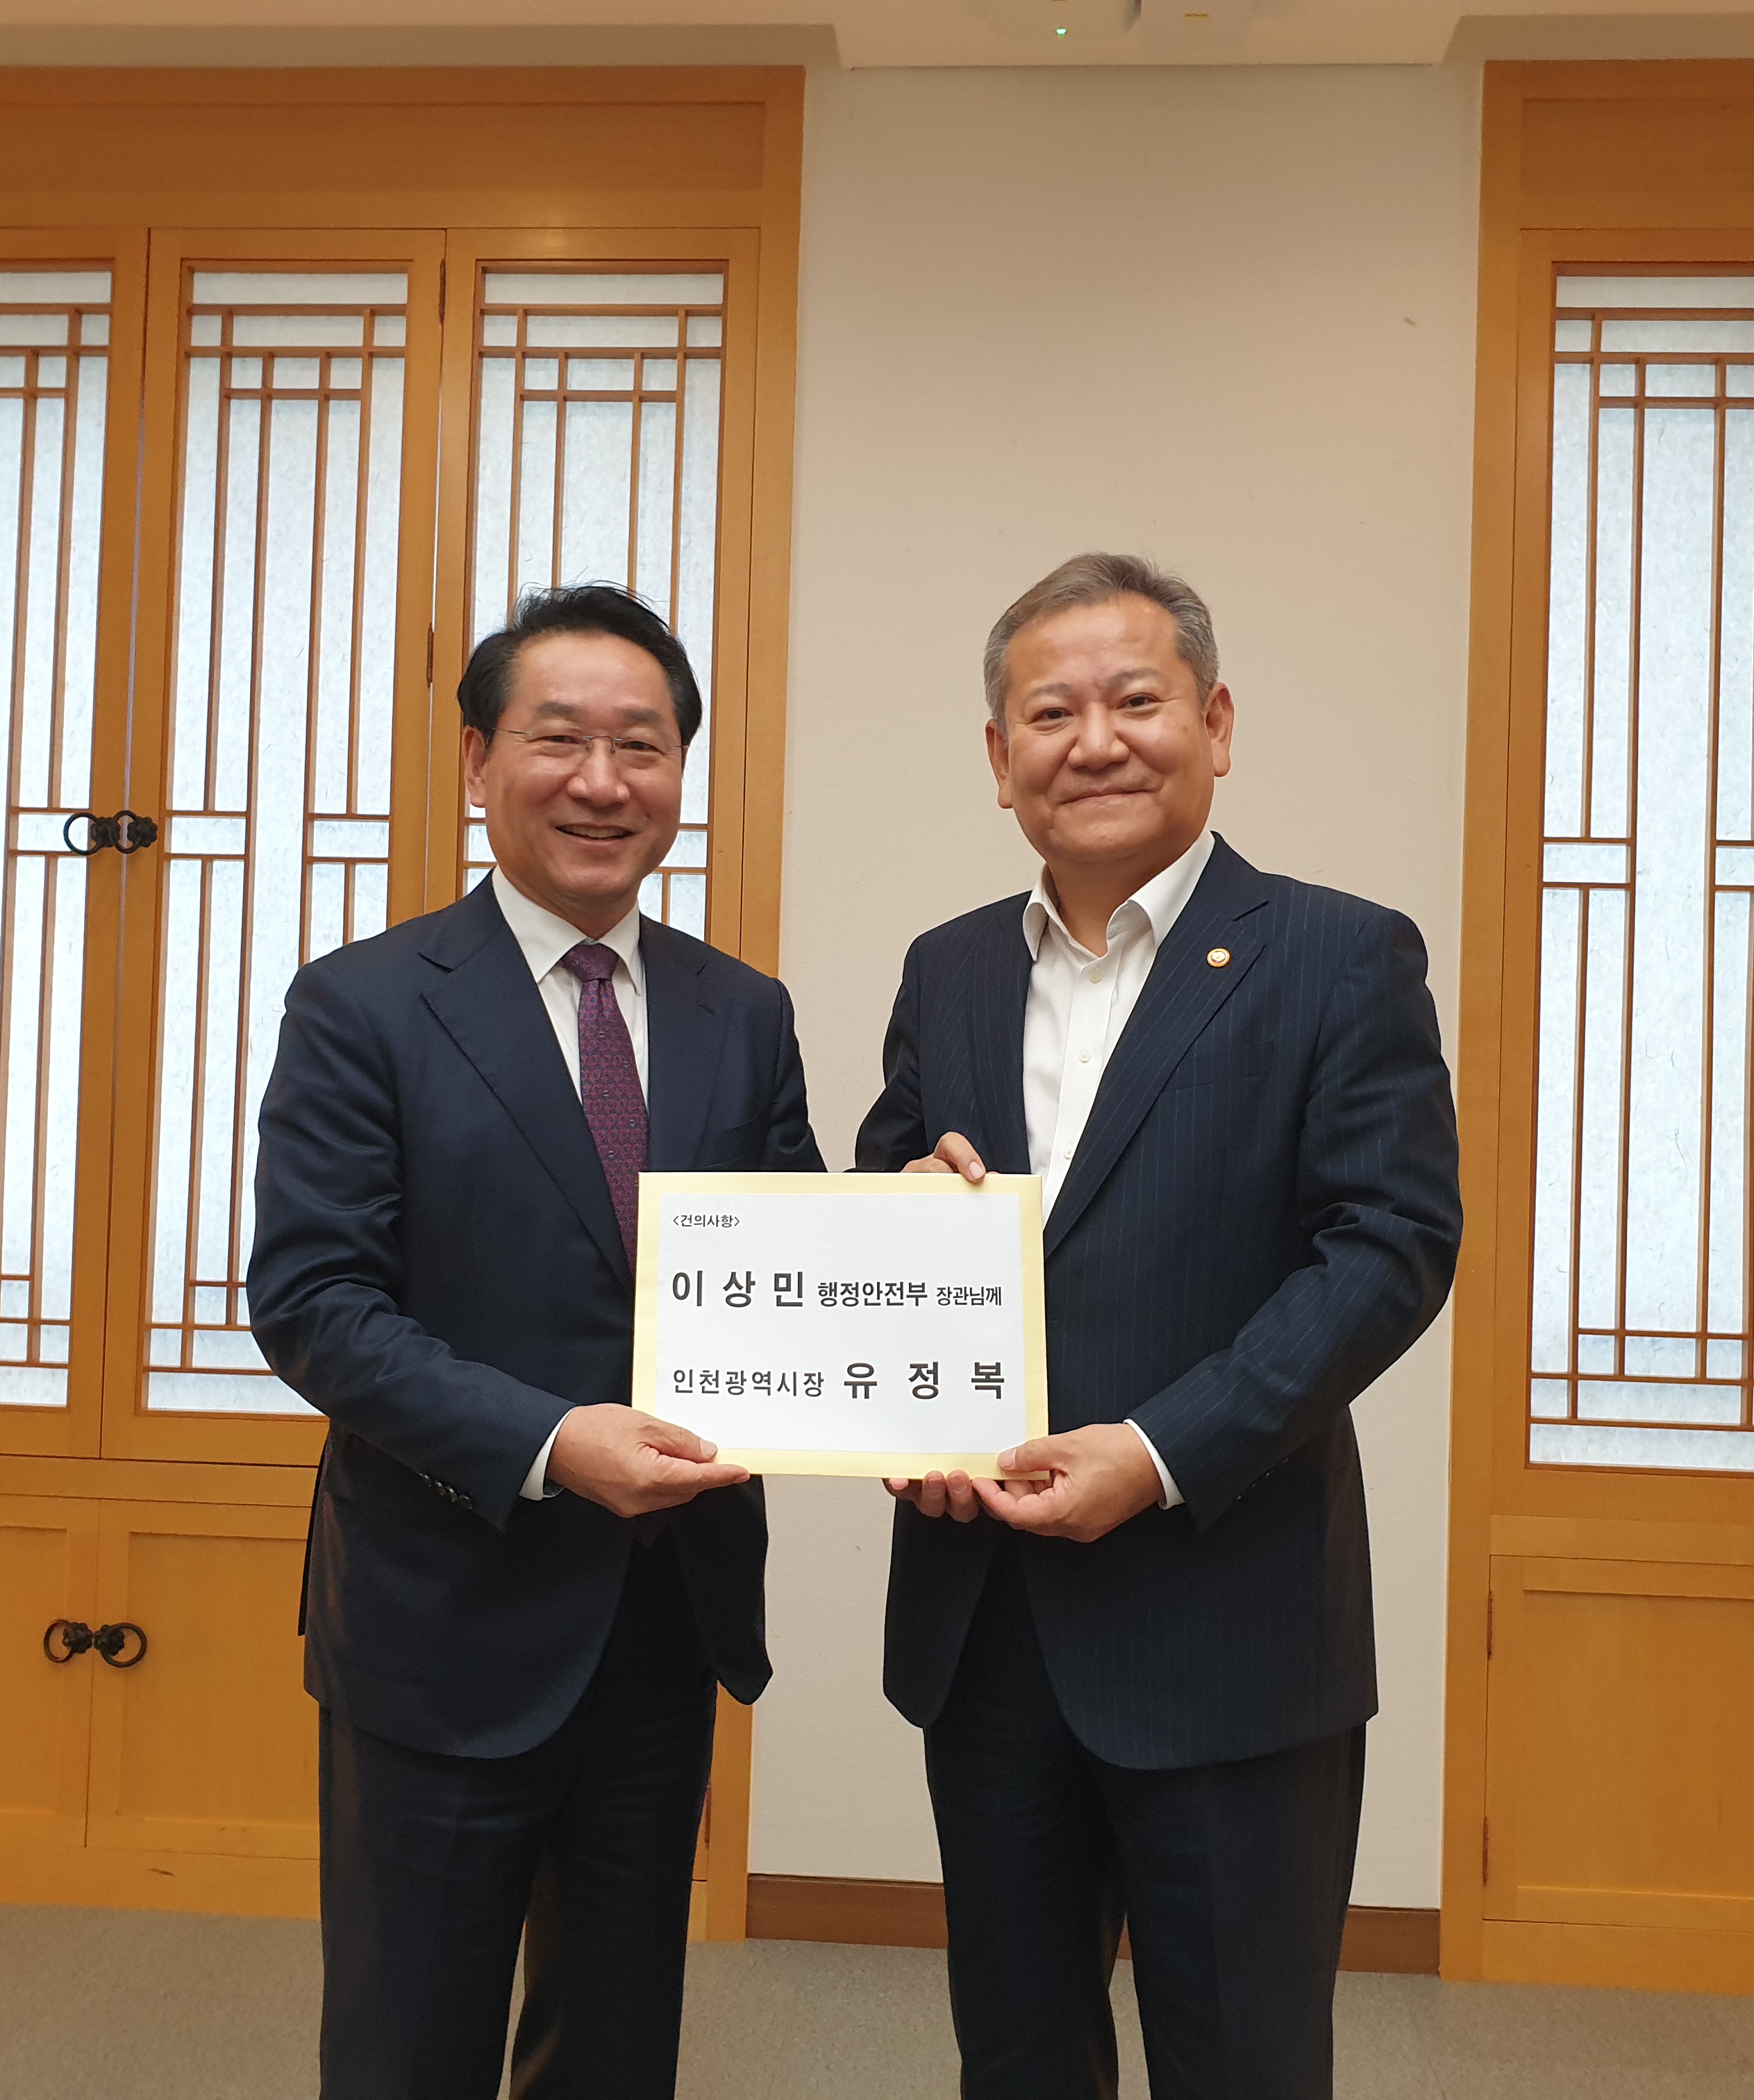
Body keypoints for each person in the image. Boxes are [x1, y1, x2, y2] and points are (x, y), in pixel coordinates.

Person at [858, 553, 1460, 2099]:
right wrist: (896, 1362)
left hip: (1230, 1628)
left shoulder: (1338, 954)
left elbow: (1388, 1248)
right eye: (1048, 712)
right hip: (986, 1627)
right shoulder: (950, 967)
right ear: (1000, 762)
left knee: (1243, 2064)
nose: (1095, 740)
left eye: (1136, 700)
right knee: (1017, 2057)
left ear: (1217, 720)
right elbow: (883, 1208)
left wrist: (1157, 1450)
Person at [248, 583, 821, 2100]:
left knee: (618, 2042)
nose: (602, 780)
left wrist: (919, 1227)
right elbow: (313, 1303)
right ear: (477, 761)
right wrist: (548, 1441)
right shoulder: (363, 1004)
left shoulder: (740, 1012)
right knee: (410, 2044)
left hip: (662, 1620)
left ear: (680, 777)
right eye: (558, 738)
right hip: (444, 1615)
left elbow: (793, 1258)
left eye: (643, 745)